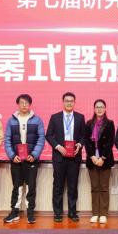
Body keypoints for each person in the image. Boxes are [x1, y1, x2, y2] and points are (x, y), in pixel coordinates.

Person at [4, 93, 45, 225]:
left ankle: (30, 212)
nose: (24, 105)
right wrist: (12, 156)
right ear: (18, 104)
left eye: (26, 103)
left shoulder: (37, 120)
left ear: (30, 105)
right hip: (16, 160)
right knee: (17, 187)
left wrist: (34, 155)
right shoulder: (11, 120)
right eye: (21, 102)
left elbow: (41, 139)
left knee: (30, 187)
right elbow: (7, 140)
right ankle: (14, 212)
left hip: (31, 160)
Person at [46, 92, 87, 223]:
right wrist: (58, 147)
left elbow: (84, 136)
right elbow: (49, 135)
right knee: (58, 186)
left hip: (74, 157)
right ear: (63, 102)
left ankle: (72, 212)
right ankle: (58, 213)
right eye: (67, 100)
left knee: (73, 186)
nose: (69, 103)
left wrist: (79, 145)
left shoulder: (80, 117)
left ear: (74, 102)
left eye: (71, 101)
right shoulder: (55, 117)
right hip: (59, 157)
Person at [83, 99, 115, 225]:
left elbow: (110, 142)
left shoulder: (110, 123)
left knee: (104, 187)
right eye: (97, 107)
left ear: (105, 109)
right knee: (95, 187)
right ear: (94, 109)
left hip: (105, 160)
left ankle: (103, 214)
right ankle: (95, 213)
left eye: (101, 107)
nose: (99, 109)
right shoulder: (88, 123)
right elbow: (86, 141)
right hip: (92, 159)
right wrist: (92, 156)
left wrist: (102, 158)